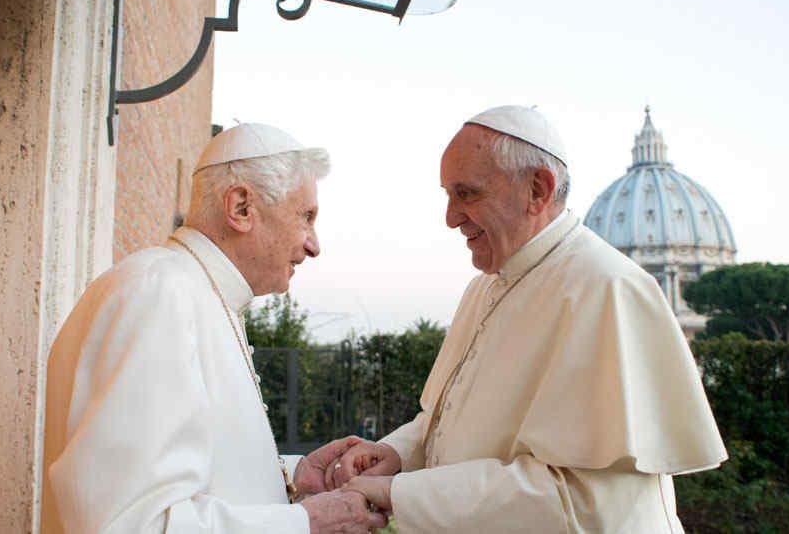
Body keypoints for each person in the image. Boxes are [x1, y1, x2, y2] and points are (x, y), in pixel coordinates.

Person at [330, 106, 728, 532]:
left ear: (538, 188)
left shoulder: (606, 288)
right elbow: (448, 422)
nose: (449, 218)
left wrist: (398, 493)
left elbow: (580, 501)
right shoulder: (485, 286)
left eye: (466, 194)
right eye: (447, 195)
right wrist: (397, 456)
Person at [41, 123, 387, 533]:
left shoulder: (196, 293)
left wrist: (293, 477)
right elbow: (131, 523)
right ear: (241, 207)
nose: (314, 244)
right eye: (306, 217)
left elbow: (196, 474)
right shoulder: (160, 294)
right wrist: (304, 524)